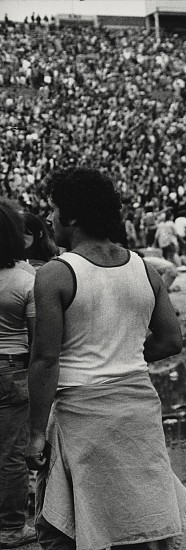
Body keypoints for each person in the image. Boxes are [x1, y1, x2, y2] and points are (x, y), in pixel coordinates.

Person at [25, 167, 186, 549]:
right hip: (138, 412)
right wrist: (127, 360)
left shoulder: (56, 274)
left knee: (71, 526)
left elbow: (45, 360)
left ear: (74, 216)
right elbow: (171, 340)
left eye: (53, 209)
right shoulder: (144, 268)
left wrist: (35, 434)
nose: (48, 218)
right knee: (137, 517)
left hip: (81, 416)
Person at [0, 199, 37, 549]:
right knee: (11, 453)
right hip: (12, 368)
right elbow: (40, 342)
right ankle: (11, 527)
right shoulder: (26, 279)